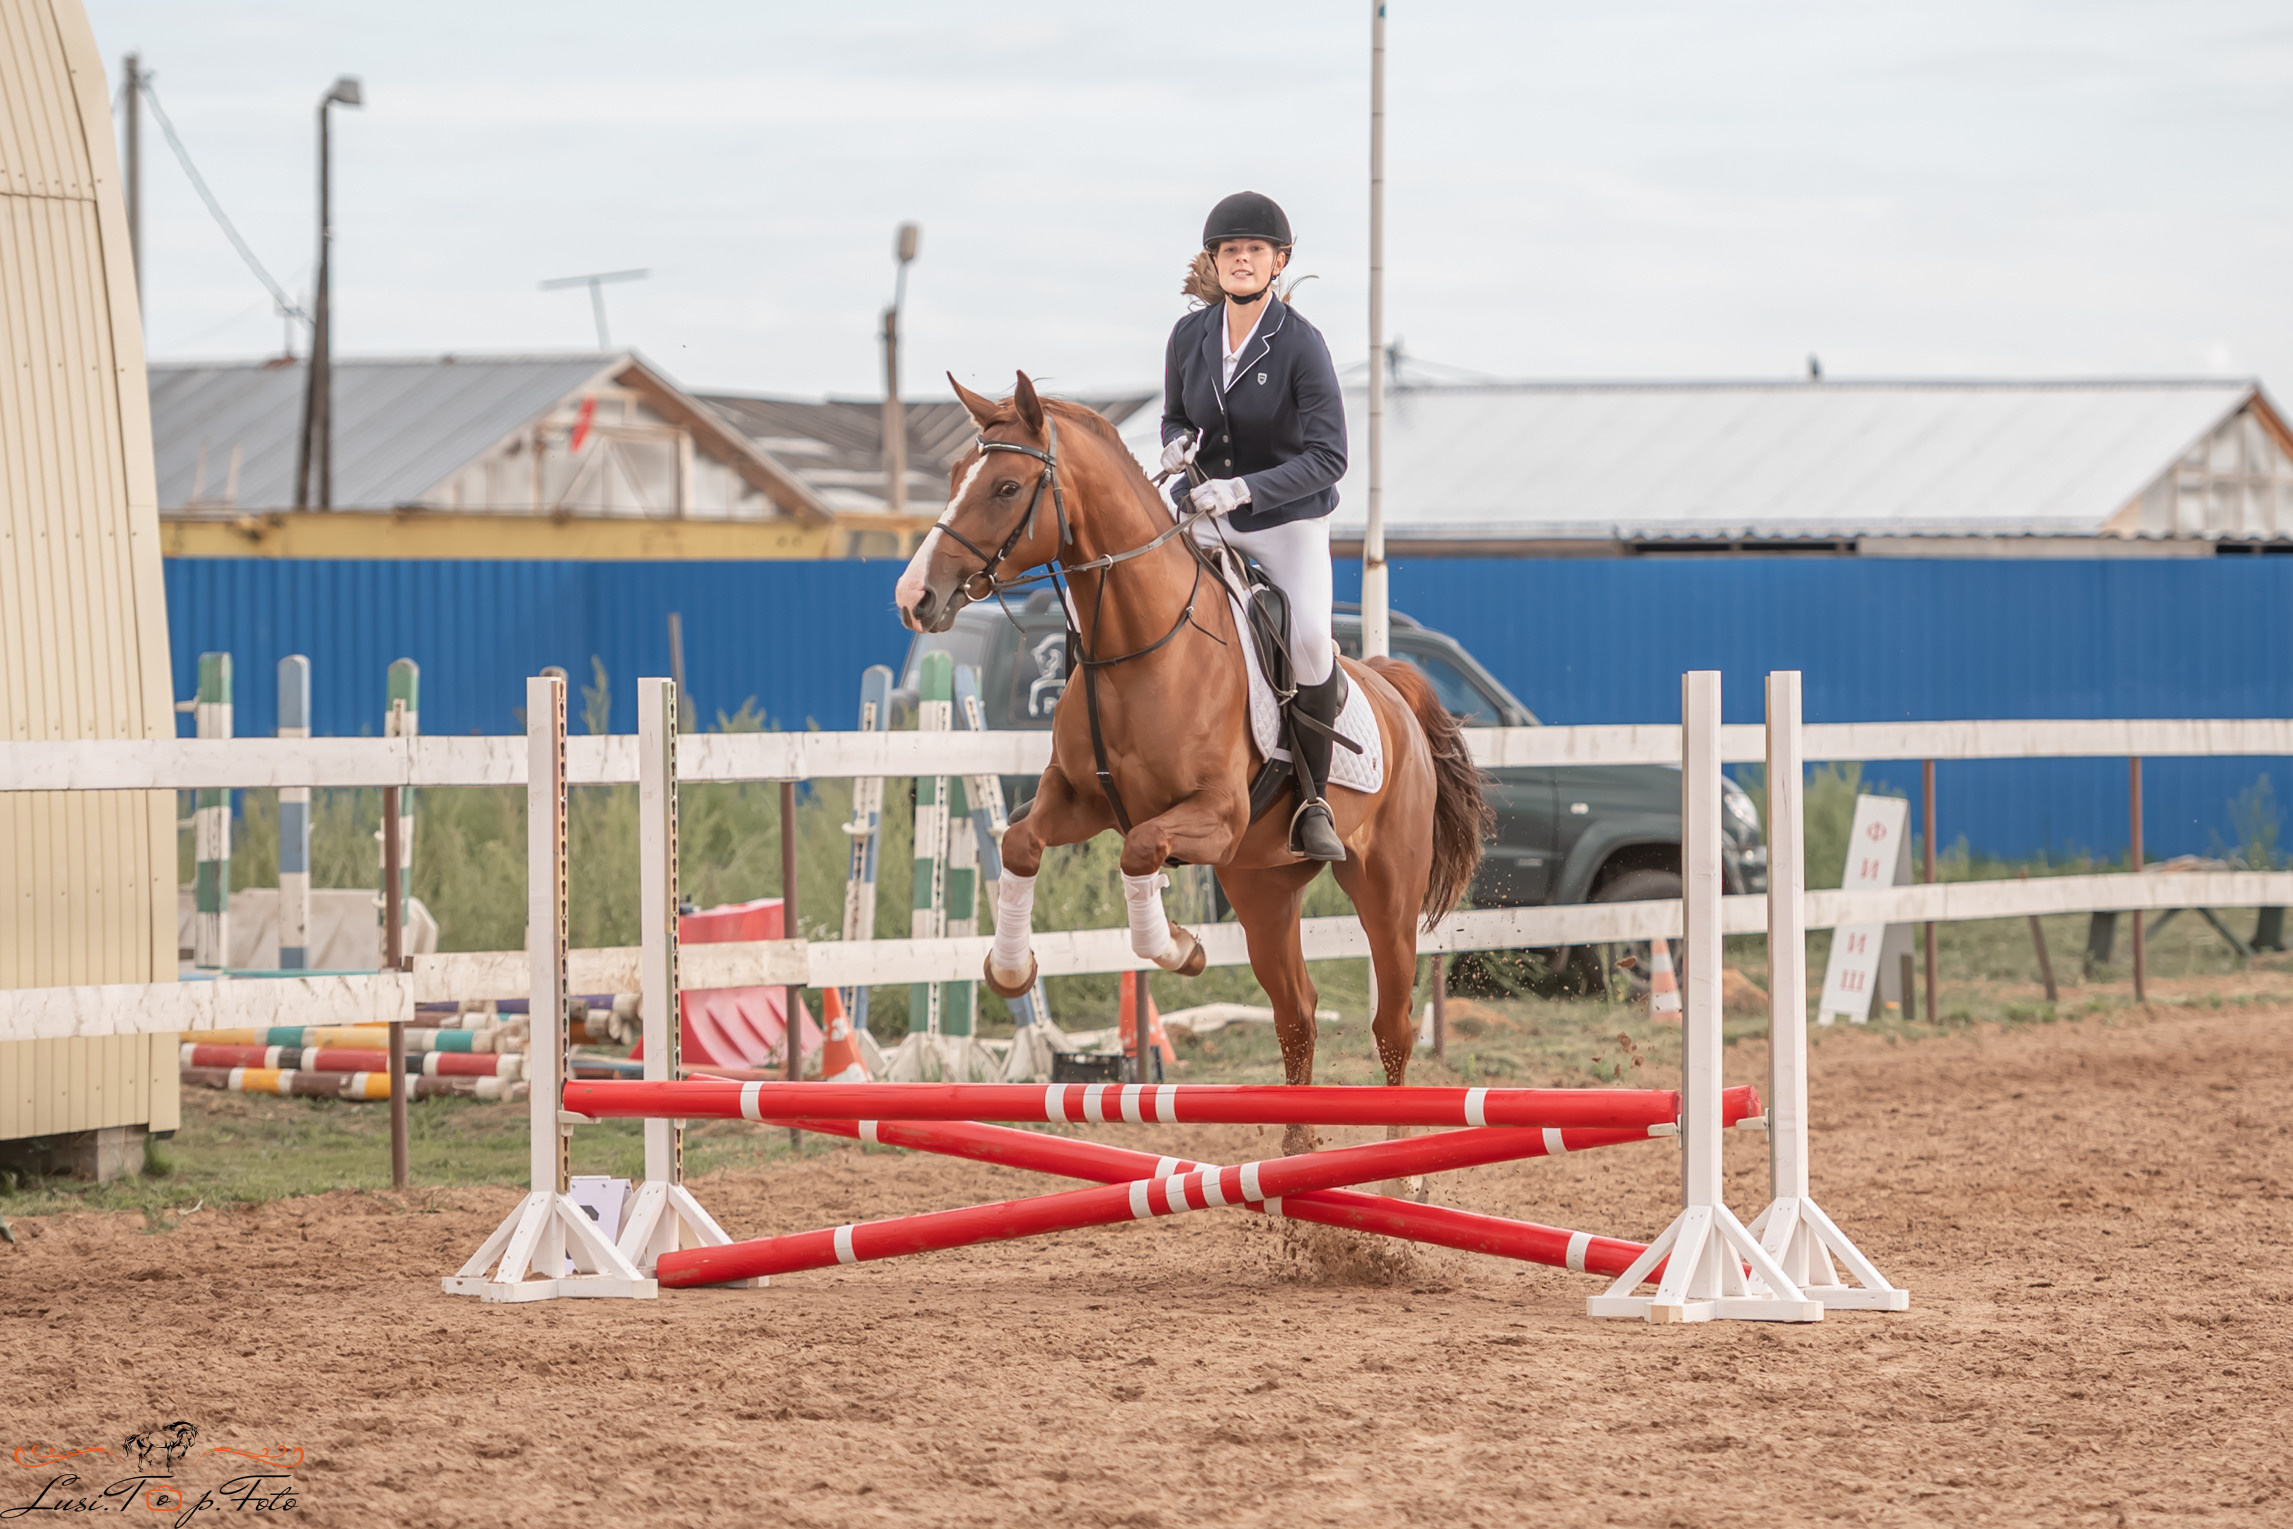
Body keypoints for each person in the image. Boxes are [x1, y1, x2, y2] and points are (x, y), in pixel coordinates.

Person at [1159, 190, 1350, 862]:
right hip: (1205, 512)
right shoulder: (1188, 336)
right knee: (1137, 593)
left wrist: (1245, 488)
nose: (1242, 259)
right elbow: (1176, 416)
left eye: (1255, 251)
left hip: (1284, 521)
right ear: (1215, 261)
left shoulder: (1300, 344)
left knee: (1309, 641)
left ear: (1278, 262)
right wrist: (1176, 447)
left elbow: (1329, 457)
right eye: (1231, 250)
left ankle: (1314, 799)